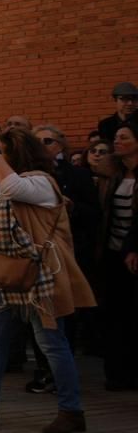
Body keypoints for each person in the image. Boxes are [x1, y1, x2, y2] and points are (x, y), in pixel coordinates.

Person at [0, 127, 97, 432]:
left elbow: (10, 188)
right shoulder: (23, 181)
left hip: (42, 275)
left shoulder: (41, 182)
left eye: (0, 152)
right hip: (14, 274)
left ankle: (72, 411)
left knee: (51, 343)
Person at [96, 126, 137, 390]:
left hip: (133, 251)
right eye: (116, 137)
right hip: (111, 252)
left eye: (124, 137)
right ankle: (116, 373)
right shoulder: (112, 173)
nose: (117, 141)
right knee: (113, 313)